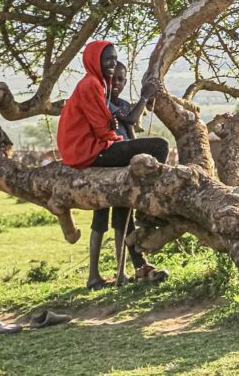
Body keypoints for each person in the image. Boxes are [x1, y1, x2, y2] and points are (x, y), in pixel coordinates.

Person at [56, 41, 170, 290]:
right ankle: (150, 208)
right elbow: (104, 127)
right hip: (91, 153)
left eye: (115, 62)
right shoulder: (92, 86)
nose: (111, 68)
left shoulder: (102, 88)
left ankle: (125, 272)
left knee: (121, 216)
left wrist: (117, 134)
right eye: (107, 60)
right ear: (94, 60)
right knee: (160, 147)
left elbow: (122, 128)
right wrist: (116, 131)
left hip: (99, 151)